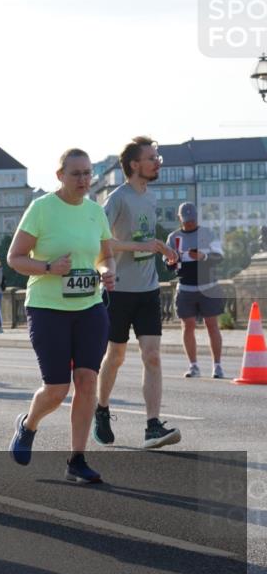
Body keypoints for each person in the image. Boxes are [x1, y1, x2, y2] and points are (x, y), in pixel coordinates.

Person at [6, 148, 116, 483]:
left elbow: (105, 256)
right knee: (56, 389)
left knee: (87, 381)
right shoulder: (42, 209)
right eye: (76, 173)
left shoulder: (95, 212)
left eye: (87, 173)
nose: (83, 179)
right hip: (47, 308)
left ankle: (76, 459)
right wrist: (48, 267)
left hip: (90, 307)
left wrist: (107, 271)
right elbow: (15, 258)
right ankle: (28, 424)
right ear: (60, 176)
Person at [94, 136, 181, 450]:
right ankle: (101, 409)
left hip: (148, 289)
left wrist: (163, 249)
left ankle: (152, 426)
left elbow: (145, 239)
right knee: (115, 356)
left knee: (152, 356)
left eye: (157, 158)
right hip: (118, 290)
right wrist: (138, 246)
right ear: (134, 164)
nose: (157, 163)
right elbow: (100, 241)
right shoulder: (117, 199)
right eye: (151, 158)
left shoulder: (151, 197)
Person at [166, 202, 226, 379]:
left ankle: (217, 366)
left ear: (197, 217)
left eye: (192, 219)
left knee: (212, 325)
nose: (189, 223)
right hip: (185, 288)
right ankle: (193, 366)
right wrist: (172, 261)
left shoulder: (208, 233)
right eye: (186, 220)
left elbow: (219, 257)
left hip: (209, 287)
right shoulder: (173, 237)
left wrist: (203, 256)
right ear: (179, 219)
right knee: (187, 326)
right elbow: (168, 266)